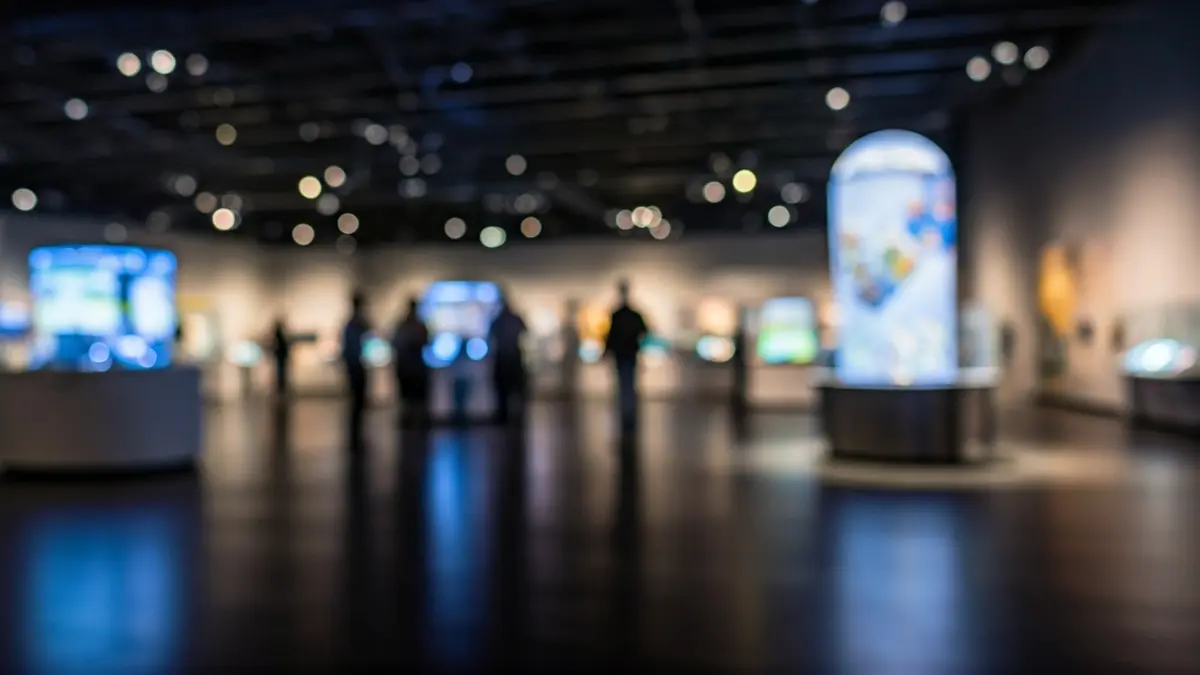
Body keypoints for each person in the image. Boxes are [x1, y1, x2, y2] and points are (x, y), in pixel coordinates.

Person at [604, 280, 647, 429]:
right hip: (627, 353)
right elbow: (643, 331)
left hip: (624, 353)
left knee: (625, 382)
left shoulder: (619, 315)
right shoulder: (628, 315)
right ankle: (627, 410)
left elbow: (611, 335)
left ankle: (627, 410)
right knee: (627, 382)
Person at [489, 294, 528, 425]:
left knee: (503, 390)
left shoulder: (498, 320)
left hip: (503, 357)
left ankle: (504, 416)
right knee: (516, 390)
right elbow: (525, 331)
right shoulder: (514, 319)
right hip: (513, 357)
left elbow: (491, 335)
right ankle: (517, 416)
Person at [391, 298, 431, 427]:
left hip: (410, 367)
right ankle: (412, 420)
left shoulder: (408, 325)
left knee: (413, 397)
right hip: (410, 367)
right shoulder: (411, 325)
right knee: (410, 397)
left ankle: (414, 420)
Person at [341, 293, 370, 447]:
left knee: (357, 403)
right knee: (357, 402)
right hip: (356, 365)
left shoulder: (352, 323)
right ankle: (354, 438)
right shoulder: (355, 323)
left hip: (354, 364)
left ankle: (355, 437)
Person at [272, 318, 291, 398]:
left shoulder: (279, 334)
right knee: (280, 372)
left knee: (281, 372)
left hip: (281, 356)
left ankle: (281, 388)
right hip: (281, 357)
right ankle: (281, 388)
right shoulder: (279, 334)